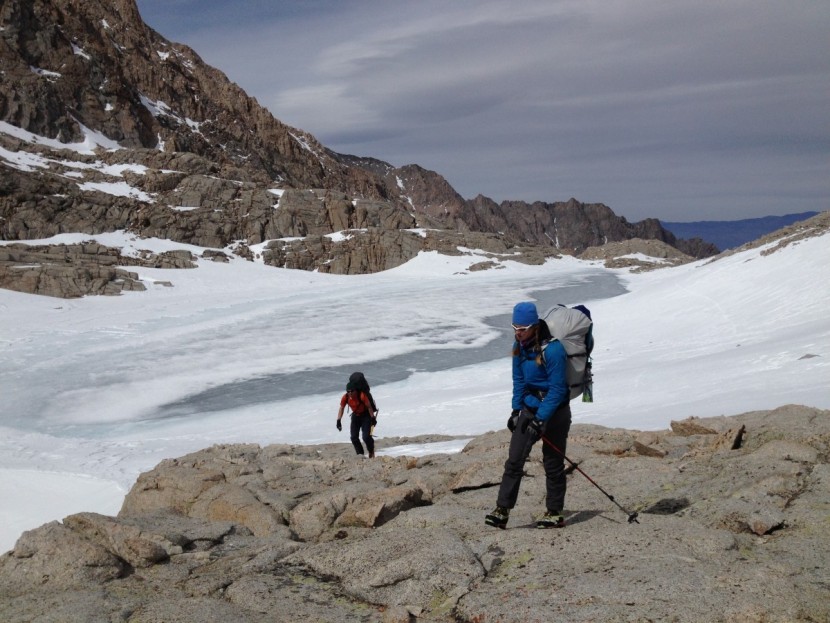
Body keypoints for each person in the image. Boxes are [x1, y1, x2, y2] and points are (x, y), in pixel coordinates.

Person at [485, 301, 572, 529]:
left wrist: (541, 418)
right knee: (514, 460)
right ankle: (502, 510)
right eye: (515, 328)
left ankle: (554, 512)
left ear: (534, 326)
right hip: (530, 407)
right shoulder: (519, 347)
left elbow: (558, 389)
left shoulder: (553, 350)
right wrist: (516, 410)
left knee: (552, 463)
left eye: (522, 329)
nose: (518, 333)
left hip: (555, 412)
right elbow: (519, 380)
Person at [337, 381, 378, 457]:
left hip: (366, 416)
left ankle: (371, 451)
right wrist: (338, 420)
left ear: (356, 390)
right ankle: (360, 455)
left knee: (366, 437)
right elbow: (341, 408)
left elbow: (369, 407)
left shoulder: (362, 396)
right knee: (353, 437)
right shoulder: (345, 397)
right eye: (348, 391)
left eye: (352, 391)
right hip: (355, 416)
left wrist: (373, 418)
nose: (350, 393)